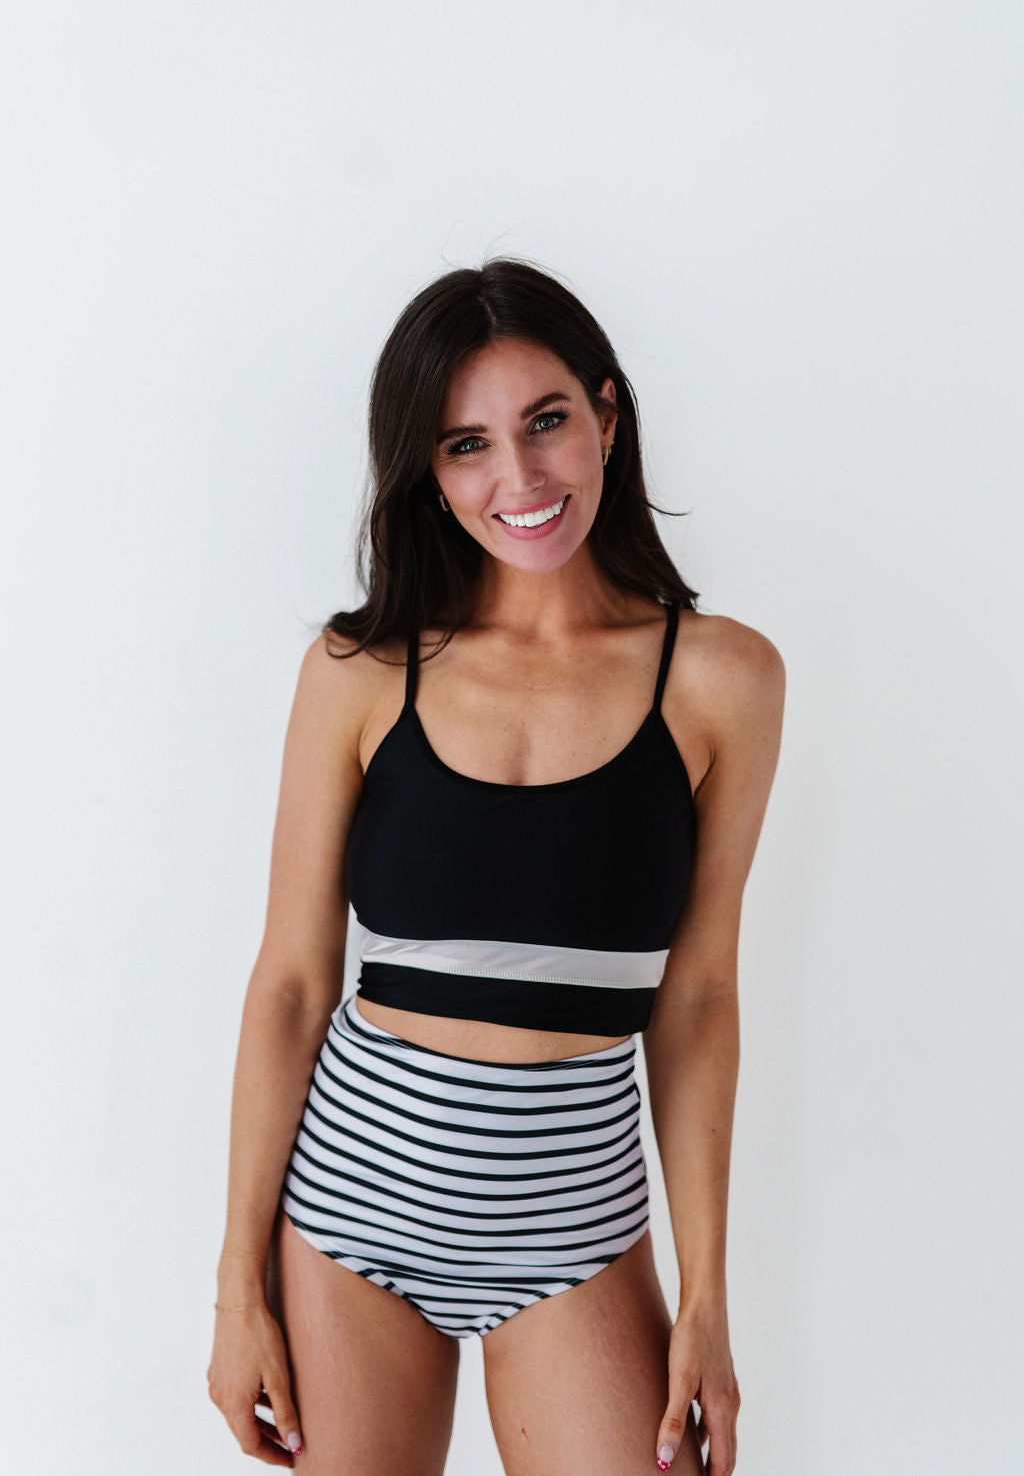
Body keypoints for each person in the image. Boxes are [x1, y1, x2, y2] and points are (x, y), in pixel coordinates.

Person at [206, 257, 785, 1476]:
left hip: (574, 1227)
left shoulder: (722, 679)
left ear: (607, 416)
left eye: (545, 422)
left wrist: (707, 1302)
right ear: (427, 470)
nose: (517, 479)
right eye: (466, 445)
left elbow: (696, 998)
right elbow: (293, 986)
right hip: (350, 1211)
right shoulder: (362, 672)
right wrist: (235, 1290)